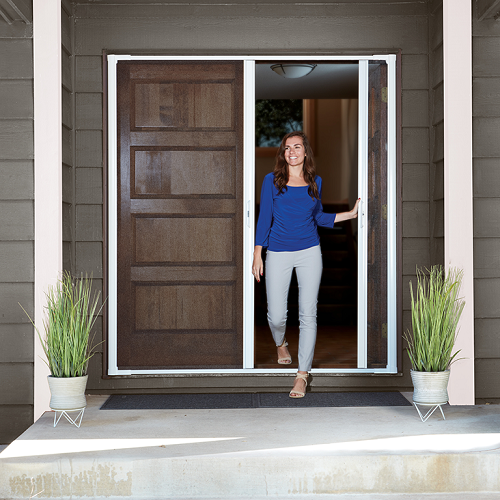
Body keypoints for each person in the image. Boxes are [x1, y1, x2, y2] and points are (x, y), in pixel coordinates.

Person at [252, 131, 360, 398]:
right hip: (277, 251)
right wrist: (257, 254)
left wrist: (350, 214)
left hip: (310, 251)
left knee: (308, 314)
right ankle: (281, 343)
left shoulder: (315, 181)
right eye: (287, 148)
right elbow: (265, 217)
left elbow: (319, 217)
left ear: (305, 152)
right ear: (283, 153)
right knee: (276, 315)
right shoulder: (272, 181)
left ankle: (302, 375)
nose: (292, 152)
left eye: (297, 147)